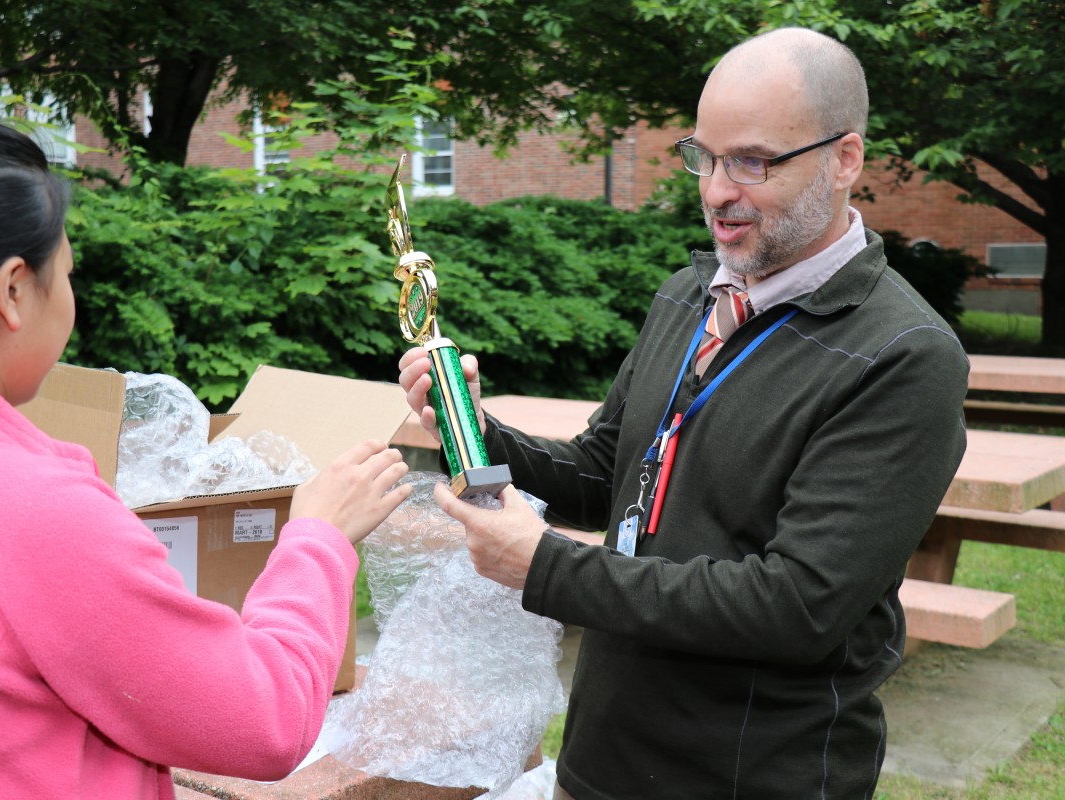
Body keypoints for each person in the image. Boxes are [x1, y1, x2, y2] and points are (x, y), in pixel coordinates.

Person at [399, 27, 969, 799]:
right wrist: (472, 427)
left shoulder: (904, 354)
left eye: (752, 161)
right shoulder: (690, 292)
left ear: (845, 160)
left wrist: (549, 569)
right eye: (703, 155)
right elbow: (606, 476)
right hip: (602, 760)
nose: (715, 190)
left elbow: (799, 606)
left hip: (752, 778)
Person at [0, 108, 411, 797]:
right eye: (64, 273)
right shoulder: (26, 508)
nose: (70, 298)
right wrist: (318, 539)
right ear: (11, 292)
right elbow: (262, 717)